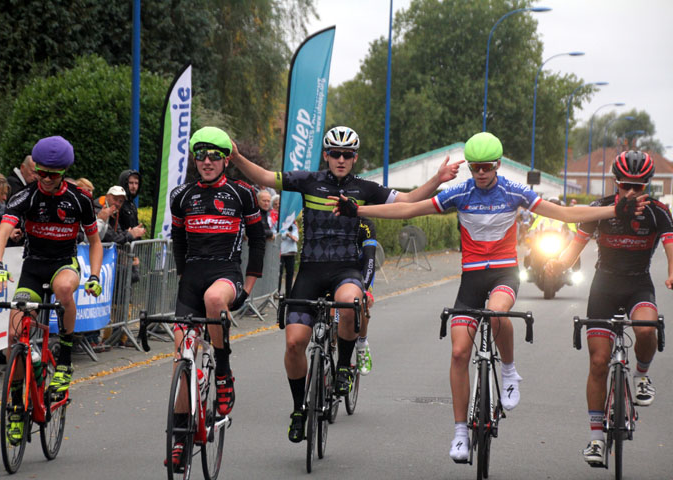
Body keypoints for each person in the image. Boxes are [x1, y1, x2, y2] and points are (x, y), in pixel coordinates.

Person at [330, 132, 646, 462]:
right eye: (476, 167)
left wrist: (613, 210)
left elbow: (564, 214)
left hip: (503, 274)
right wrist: (359, 211)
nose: (481, 173)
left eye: (487, 167)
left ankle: (509, 371)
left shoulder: (513, 192)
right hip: (471, 279)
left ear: (497, 165)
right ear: (470, 167)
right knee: (458, 353)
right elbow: (409, 211)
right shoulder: (459, 193)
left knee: (497, 313)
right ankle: (460, 435)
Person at [229, 125, 463, 443]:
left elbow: (406, 200)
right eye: (335, 153)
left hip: (345, 270)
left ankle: (342, 367)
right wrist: (238, 157)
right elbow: (267, 178)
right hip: (310, 271)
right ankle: (299, 409)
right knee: (294, 343)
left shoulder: (364, 188)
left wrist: (437, 179)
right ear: (326, 155)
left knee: (352, 302)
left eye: (347, 154)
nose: (341, 159)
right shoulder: (308, 181)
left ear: (354, 157)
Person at [545, 150, 673, 466]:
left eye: (638, 186)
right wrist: (558, 264)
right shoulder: (600, 209)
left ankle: (642, 376)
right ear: (615, 182)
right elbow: (572, 250)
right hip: (604, 287)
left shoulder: (658, 213)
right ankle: (596, 439)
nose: (630, 192)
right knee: (599, 362)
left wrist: (672, 272)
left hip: (638, 285)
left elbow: (671, 246)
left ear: (647, 184)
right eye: (625, 186)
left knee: (646, 328)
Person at [0, 136, 103, 446]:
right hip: (33, 267)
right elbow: (1, 232)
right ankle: (15, 407)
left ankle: (64, 357)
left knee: (65, 288)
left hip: (63, 264)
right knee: (14, 336)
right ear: (35, 170)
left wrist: (94, 275)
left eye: (55, 174)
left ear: (64, 171)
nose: (48, 179)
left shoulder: (79, 199)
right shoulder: (24, 197)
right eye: (42, 173)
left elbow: (94, 243)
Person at [166, 126, 266, 467]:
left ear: (226, 160)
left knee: (213, 299)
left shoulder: (242, 193)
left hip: (226, 275)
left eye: (214, 156)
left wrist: (251, 283)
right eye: (201, 155)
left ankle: (223, 371)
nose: (207, 161)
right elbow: (178, 241)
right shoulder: (181, 195)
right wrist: (182, 275)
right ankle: (180, 440)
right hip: (191, 278)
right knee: (183, 362)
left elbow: (258, 237)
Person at [355, 217, 377, 376]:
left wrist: (365, 289)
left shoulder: (365, 225)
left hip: (360, 272)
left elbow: (370, 259)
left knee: (361, 303)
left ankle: (362, 344)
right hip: (334, 269)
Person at [279, 219, 299, 296]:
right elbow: (278, 235)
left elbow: (296, 237)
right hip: (281, 252)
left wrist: (290, 235)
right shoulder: (278, 221)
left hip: (291, 252)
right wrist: (287, 234)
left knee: (290, 273)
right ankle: (278, 292)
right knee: (279, 274)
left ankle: (289, 294)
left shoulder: (293, 224)